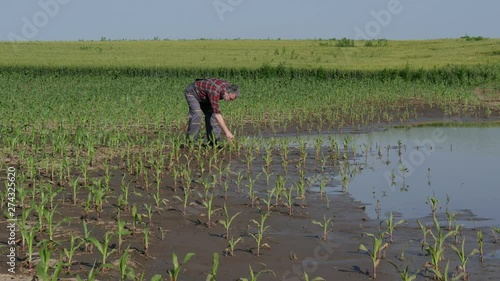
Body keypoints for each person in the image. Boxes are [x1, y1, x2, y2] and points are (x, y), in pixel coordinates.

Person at [184, 78, 239, 147]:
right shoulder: (215, 91)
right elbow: (218, 115)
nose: (230, 101)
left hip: (205, 95)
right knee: (197, 114)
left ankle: (214, 142)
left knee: (212, 116)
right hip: (192, 93)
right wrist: (227, 132)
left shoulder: (227, 88)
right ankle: (191, 142)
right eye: (230, 99)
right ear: (226, 93)